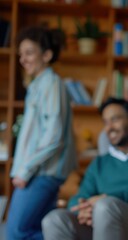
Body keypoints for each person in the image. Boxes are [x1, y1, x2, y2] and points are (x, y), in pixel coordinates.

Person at [41, 97, 128, 240]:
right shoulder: (99, 163)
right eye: (105, 122)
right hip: (98, 224)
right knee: (54, 219)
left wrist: (114, 196)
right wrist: (84, 210)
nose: (109, 127)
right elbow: (79, 198)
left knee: (104, 206)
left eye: (115, 120)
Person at [6, 25, 76, 240]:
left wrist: (25, 171)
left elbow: (54, 137)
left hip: (41, 173)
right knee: (43, 229)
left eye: (28, 53)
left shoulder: (52, 84)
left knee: (15, 233)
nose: (22, 59)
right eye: (20, 54)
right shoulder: (37, 87)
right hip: (37, 172)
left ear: (47, 55)